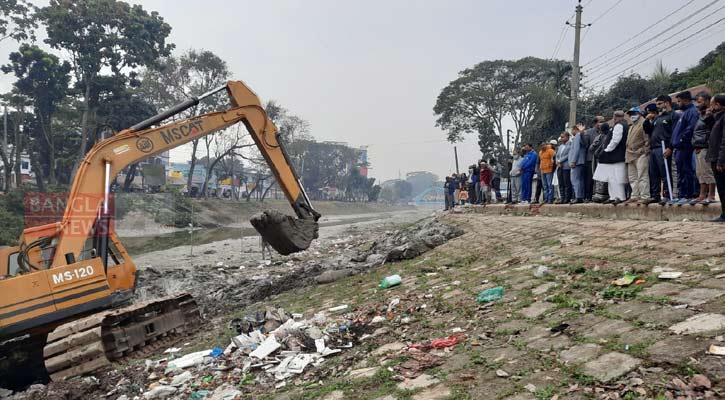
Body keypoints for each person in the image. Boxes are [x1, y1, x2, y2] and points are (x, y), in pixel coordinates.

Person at [643, 96, 679, 205]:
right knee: (653, 173)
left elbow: (675, 133)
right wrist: (646, 120)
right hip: (654, 148)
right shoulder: (657, 118)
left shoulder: (673, 115)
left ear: (666, 103)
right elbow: (648, 130)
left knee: (665, 172)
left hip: (664, 147)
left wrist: (670, 147)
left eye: (659, 104)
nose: (657, 106)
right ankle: (655, 195)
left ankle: (668, 194)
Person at [594, 111, 629, 204]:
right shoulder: (623, 125)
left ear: (615, 117)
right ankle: (613, 196)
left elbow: (615, 140)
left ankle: (620, 196)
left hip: (616, 156)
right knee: (611, 178)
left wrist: (607, 150)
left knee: (617, 178)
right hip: (614, 157)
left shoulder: (619, 125)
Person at [671, 91, 699, 204]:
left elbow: (691, 128)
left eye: (679, 101)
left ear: (685, 100)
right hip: (679, 148)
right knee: (680, 172)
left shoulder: (692, 112)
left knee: (688, 171)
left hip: (686, 146)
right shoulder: (684, 112)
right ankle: (682, 194)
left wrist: (682, 139)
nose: (678, 104)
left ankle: (689, 195)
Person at [691, 92, 716, 205]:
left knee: (708, 172)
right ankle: (702, 195)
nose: (697, 104)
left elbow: (710, 131)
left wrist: (709, 115)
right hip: (698, 147)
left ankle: (711, 195)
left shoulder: (712, 114)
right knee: (699, 172)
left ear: (706, 101)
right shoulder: (700, 115)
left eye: (700, 102)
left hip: (705, 146)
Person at [624, 106, 650, 203]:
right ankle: (635, 195)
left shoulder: (644, 123)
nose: (632, 116)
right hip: (630, 154)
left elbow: (647, 139)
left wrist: (644, 150)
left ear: (639, 114)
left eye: (634, 114)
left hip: (640, 153)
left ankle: (645, 196)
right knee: (632, 177)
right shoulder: (632, 125)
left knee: (642, 176)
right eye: (630, 114)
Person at [706, 93, 725, 222]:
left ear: (717, 105)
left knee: (723, 188)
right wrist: (709, 116)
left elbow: (724, 140)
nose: (710, 107)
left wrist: (721, 160)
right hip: (715, 157)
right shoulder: (718, 117)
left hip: (720, 158)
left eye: (712, 105)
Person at [582, 116, 605, 201]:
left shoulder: (605, 131)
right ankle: (588, 196)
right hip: (590, 159)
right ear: (595, 123)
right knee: (590, 179)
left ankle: (598, 195)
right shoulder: (588, 132)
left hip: (602, 159)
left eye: (603, 121)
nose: (602, 123)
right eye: (601, 121)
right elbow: (585, 146)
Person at [569, 124, 587, 203]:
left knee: (575, 180)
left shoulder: (577, 136)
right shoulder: (580, 136)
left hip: (576, 162)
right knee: (579, 180)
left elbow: (576, 149)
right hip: (580, 161)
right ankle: (580, 196)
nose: (571, 132)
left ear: (574, 130)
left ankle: (578, 196)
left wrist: (573, 161)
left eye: (572, 130)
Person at [555, 132, 572, 204]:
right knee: (561, 183)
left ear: (567, 137)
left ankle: (567, 198)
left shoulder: (570, 145)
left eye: (563, 137)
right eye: (561, 137)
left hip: (566, 166)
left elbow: (568, 155)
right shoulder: (560, 146)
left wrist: (560, 161)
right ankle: (562, 198)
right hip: (559, 167)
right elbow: (557, 155)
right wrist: (557, 161)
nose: (561, 139)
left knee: (566, 183)